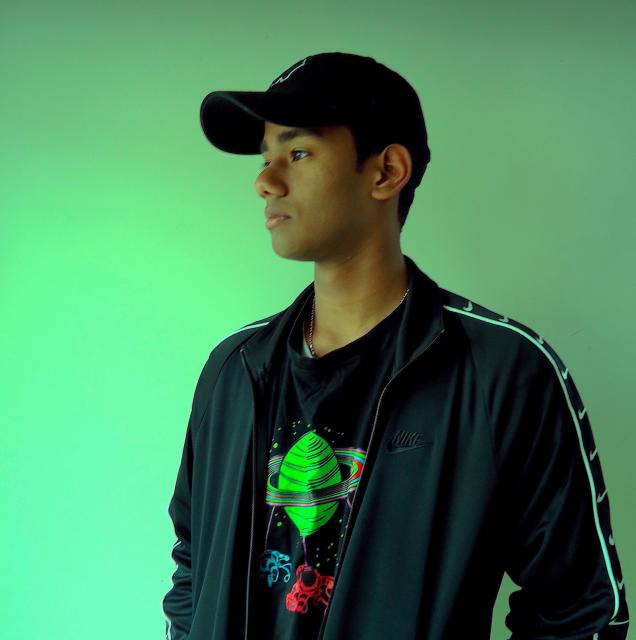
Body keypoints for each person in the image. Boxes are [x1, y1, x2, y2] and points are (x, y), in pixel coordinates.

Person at [162, 52, 629, 640]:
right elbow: (193, 563)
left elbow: (580, 612)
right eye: (265, 158)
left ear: (386, 172)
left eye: (297, 153)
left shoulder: (502, 372)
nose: (265, 181)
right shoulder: (233, 370)